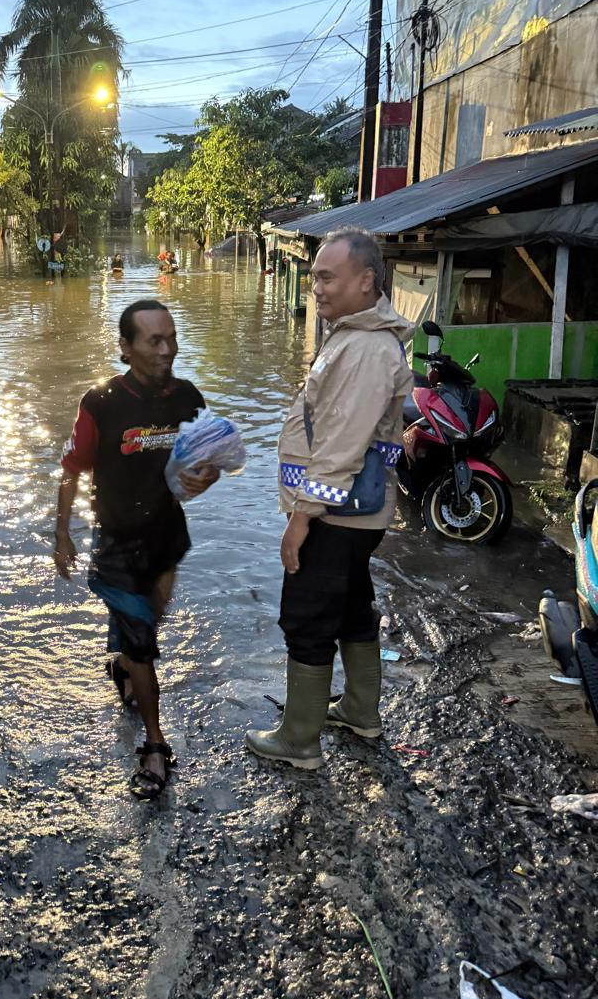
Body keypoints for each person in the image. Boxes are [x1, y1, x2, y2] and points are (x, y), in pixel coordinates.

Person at [246, 228, 413, 770]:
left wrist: (300, 518)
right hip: (356, 515)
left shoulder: (364, 347)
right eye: (314, 274)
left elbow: (340, 445)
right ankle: (361, 711)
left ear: (366, 282)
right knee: (349, 607)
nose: (315, 286)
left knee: (307, 615)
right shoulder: (356, 334)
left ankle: (299, 739)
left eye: (326, 276)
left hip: (335, 514)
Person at [55, 300, 219, 798]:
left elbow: (210, 460)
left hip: (168, 536)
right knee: (143, 640)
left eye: (171, 338)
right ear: (126, 348)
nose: (167, 350)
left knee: (150, 620)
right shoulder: (101, 403)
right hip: (118, 542)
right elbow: (71, 470)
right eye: (154, 341)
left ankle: (123, 661)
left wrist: (204, 477)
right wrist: (61, 532)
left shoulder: (187, 397)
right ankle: (154, 745)